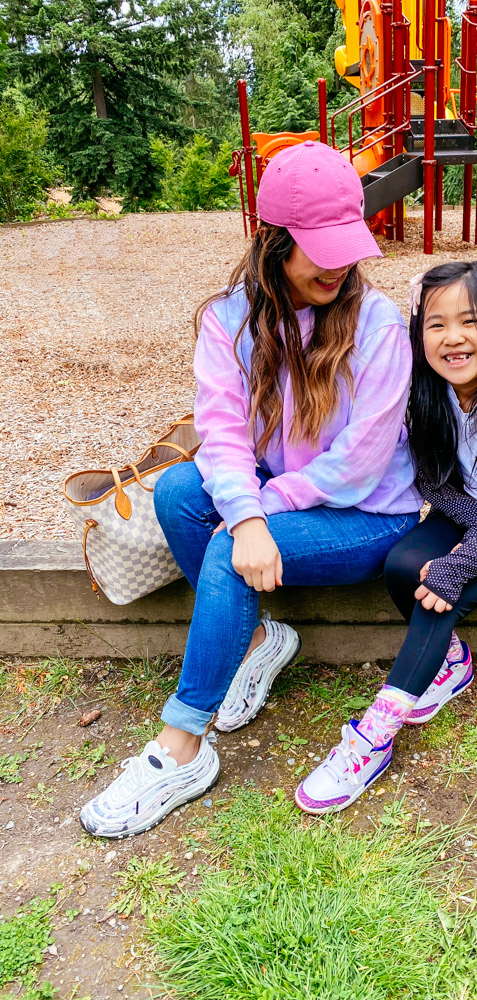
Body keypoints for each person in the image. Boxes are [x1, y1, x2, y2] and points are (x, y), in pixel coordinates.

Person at [80, 141, 422, 838]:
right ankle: (260, 640)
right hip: (283, 493)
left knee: (223, 549)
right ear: (272, 240)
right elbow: (224, 437)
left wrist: (253, 516)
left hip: (368, 514)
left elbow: (360, 466)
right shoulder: (227, 319)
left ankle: (181, 748)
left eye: (345, 243)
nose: (338, 264)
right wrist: (247, 511)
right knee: (179, 491)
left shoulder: (380, 324)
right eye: (319, 247)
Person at [296, 260, 477, 814]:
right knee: (402, 566)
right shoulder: (426, 391)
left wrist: (461, 562)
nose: (454, 338)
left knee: (441, 592)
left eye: (470, 321)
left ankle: (372, 738)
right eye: (436, 324)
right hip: (468, 511)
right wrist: (464, 533)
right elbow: (430, 478)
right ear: (421, 335)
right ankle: (452, 663)